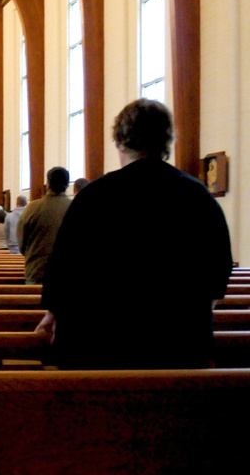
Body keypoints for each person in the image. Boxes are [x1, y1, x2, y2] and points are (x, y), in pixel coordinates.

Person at [37, 99, 232, 369]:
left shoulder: (93, 197)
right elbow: (217, 273)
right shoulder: (199, 197)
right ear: (167, 141)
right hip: (178, 350)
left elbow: (64, 268)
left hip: (97, 349)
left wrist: (54, 311)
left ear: (120, 141)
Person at [17, 167, 72, 285]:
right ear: (67, 185)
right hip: (68, 274)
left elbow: (22, 245)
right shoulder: (76, 206)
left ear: (48, 184)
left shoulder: (32, 208)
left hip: (37, 272)